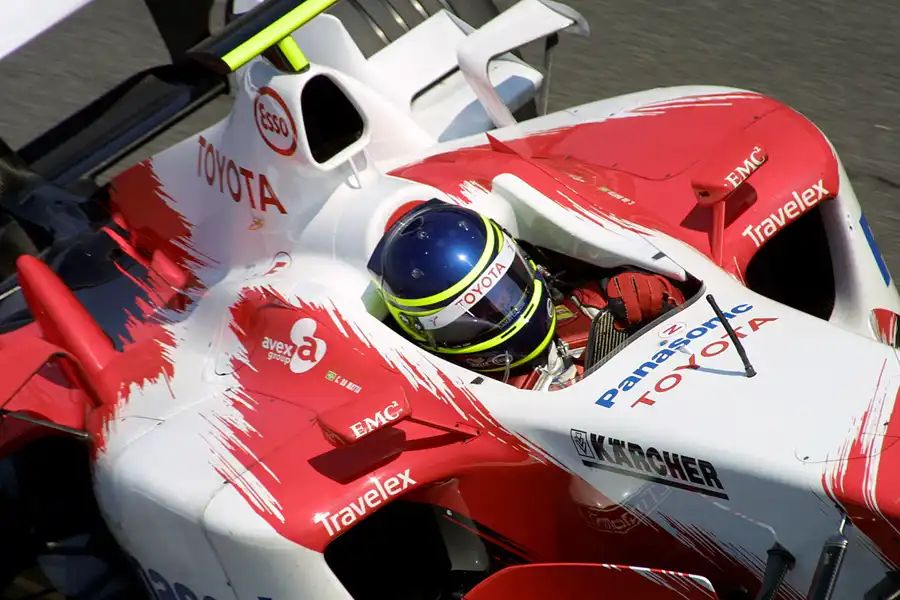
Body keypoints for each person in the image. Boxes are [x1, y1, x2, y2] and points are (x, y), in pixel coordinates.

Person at [366, 199, 685, 389]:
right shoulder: (459, 396)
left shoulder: (590, 308)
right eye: (477, 317)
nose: (506, 312)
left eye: (507, 290)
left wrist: (664, 291)